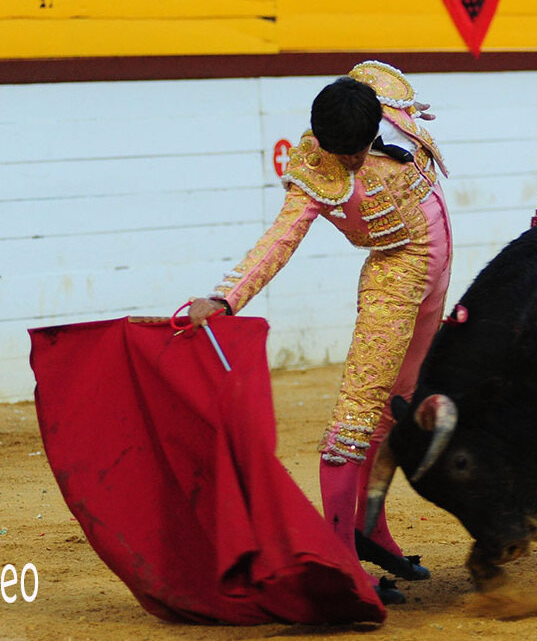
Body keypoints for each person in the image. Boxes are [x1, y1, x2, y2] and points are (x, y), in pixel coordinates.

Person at [187, 61, 451, 605]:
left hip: (437, 270)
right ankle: (338, 559)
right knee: (355, 419)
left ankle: (370, 529)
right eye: (343, 155)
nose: (351, 161)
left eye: (357, 150)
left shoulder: (375, 92)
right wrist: (227, 296)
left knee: (396, 405)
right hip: (396, 277)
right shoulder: (318, 166)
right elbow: (281, 237)